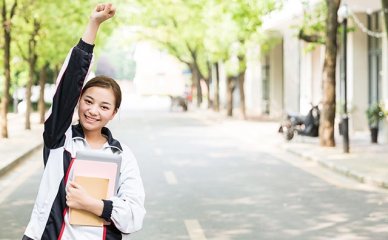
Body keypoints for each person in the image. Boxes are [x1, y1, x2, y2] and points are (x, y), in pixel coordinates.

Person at [23, 3, 145, 240]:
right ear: (78, 102)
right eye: (88, 101)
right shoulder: (61, 141)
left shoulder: (122, 156)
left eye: (104, 106)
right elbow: (68, 86)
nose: (93, 111)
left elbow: (133, 216)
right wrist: (94, 24)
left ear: (114, 113)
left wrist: (92, 204)